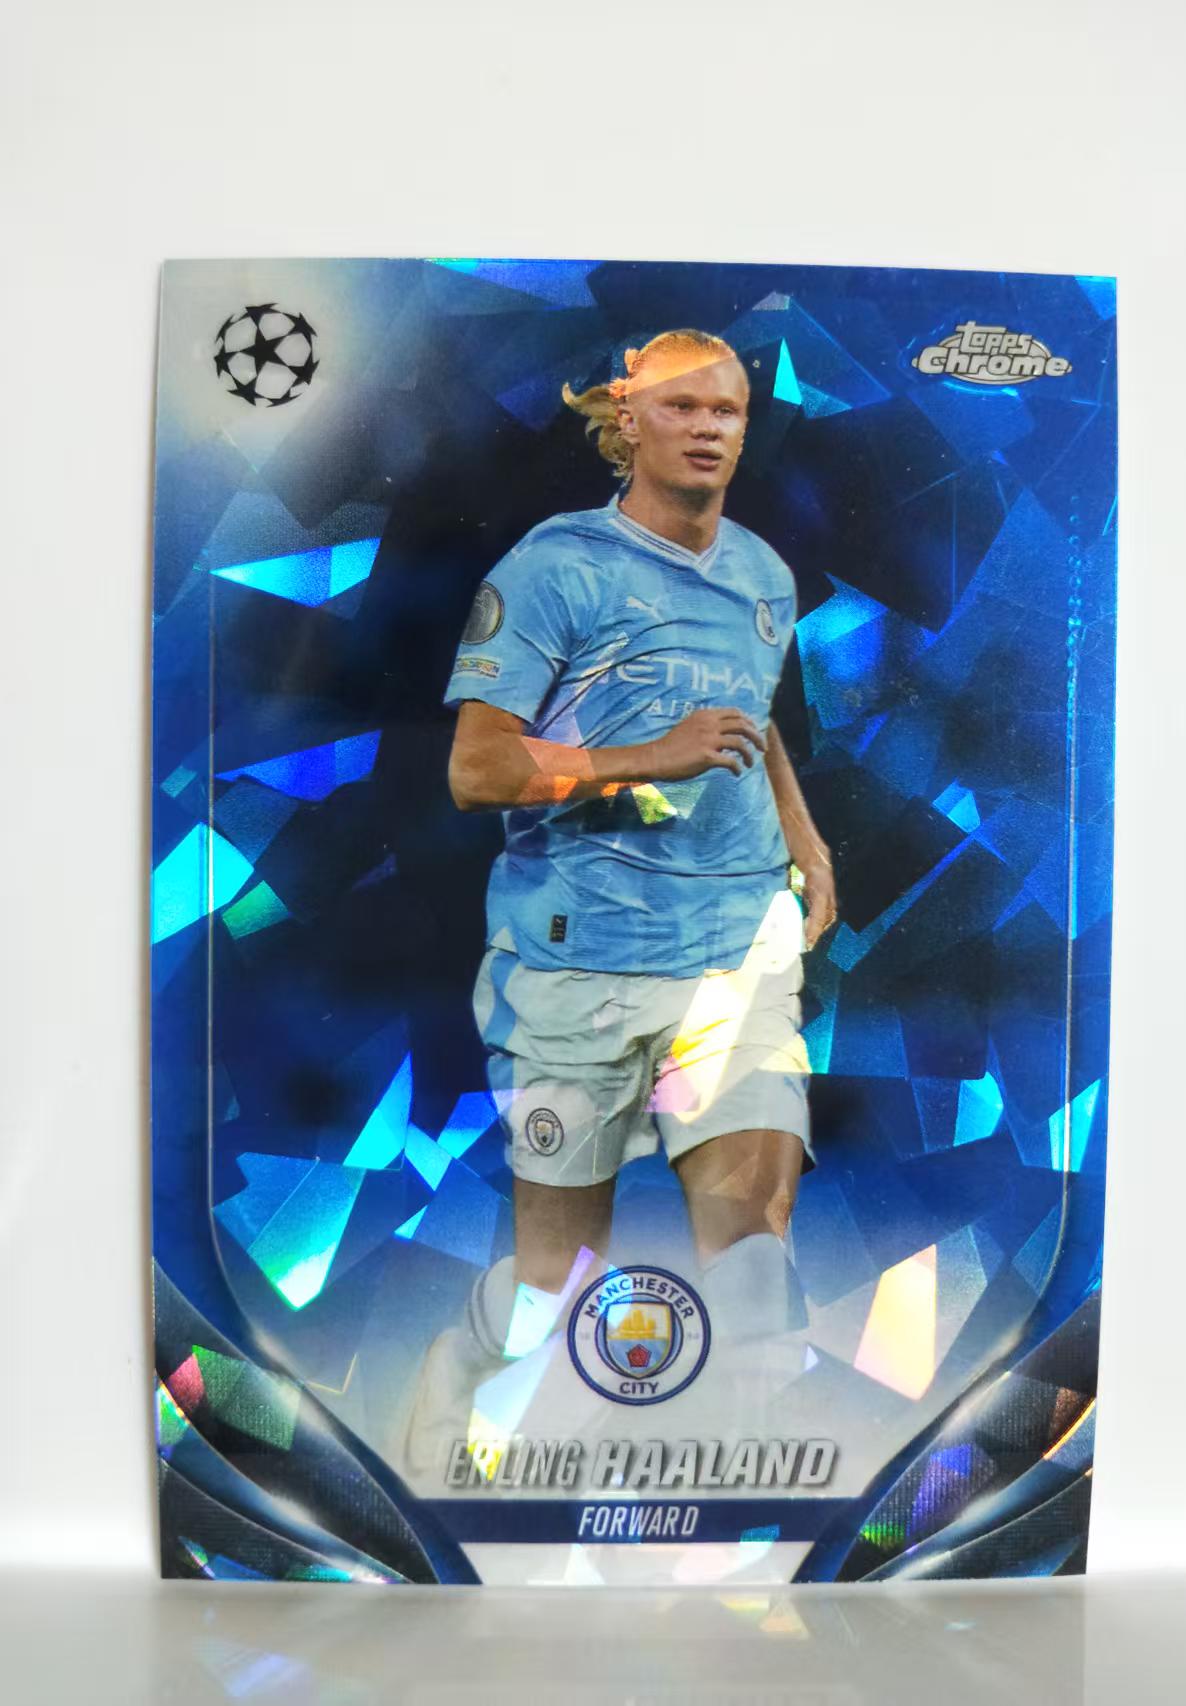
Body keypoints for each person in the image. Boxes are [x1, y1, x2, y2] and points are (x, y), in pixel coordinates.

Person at [402, 328, 836, 1475]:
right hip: (572, 966)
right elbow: (477, 770)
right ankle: (460, 1373)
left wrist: (801, 836)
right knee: (554, 1290)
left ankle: (745, 1505)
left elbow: (746, 715)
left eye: (727, 410)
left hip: (731, 951)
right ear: (626, 420)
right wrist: (648, 754)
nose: (707, 428)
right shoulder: (556, 567)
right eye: (682, 406)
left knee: (753, 1253)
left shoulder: (762, 575)